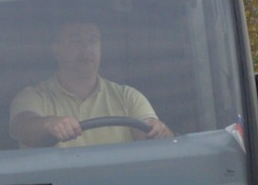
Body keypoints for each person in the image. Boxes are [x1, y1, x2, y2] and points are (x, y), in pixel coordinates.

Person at [9, 17, 173, 147]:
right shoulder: (32, 96)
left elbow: (152, 139)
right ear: (56, 49)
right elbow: (23, 128)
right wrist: (49, 124)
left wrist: (158, 131)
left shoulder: (128, 96)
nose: (86, 48)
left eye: (93, 40)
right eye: (76, 41)